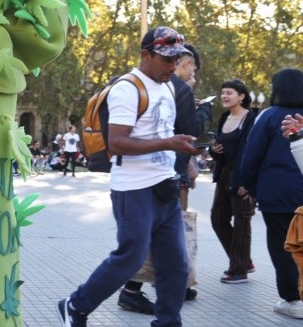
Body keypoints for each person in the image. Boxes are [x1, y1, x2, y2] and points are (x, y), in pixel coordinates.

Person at [57, 26, 201, 327]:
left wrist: (182, 149)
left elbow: (161, 131)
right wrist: (168, 143)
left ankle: (167, 323)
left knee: (176, 266)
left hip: (165, 187)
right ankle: (76, 305)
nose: (172, 66)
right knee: (131, 258)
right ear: (145, 55)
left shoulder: (168, 86)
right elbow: (118, 143)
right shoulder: (128, 87)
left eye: (176, 59)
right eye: (165, 59)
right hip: (134, 190)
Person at [118, 44, 207, 314]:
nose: (192, 71)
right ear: (183, 63)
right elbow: (191, 131)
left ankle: (169, 295)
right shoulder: (171, 89)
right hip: (162, 178)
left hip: (159, 175)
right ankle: (123, 292)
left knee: (165, 244)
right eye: (191, 65)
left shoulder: (162, 88)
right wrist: (203, 111)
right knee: (154, 243)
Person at [235, 68, 303, 318]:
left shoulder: (269, 116)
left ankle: (294, 300)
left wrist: (246, 185)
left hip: (277, 193)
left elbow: (252, 153)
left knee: (282, 245)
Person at [209, 79, 258, 283]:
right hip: (224, 174)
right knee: (217, 218)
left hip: (244, 174)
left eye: (229, 93)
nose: (225, 97)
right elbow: (221, 150)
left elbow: (254, 151)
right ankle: (244, 260)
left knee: (241, 221)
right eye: (223, 93)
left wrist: (247, 182)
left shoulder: (251, 119)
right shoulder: (224, 117)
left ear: (242, 96)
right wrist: (214, 151)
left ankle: (239, 271)